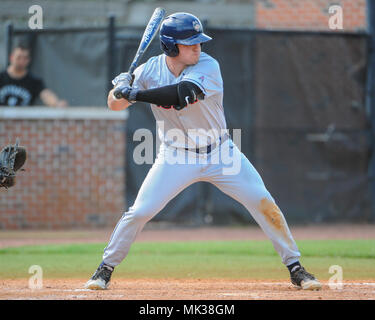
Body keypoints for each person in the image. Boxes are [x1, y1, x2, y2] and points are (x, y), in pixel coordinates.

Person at [85, 12, 322, 291]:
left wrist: (134, 93)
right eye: (190, 43)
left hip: (221, 153)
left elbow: (180, 95)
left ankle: (295, 267)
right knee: (140, 212)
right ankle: (105, 269)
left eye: (199, 41)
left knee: (262, 200)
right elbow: (114, 106)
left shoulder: (208, 66)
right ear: (171, 47)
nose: (198, 47)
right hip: (176, 156)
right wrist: (120, 89)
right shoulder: (149, 70)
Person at [0, 44, 68, 107]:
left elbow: (46, 95)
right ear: (11, 57)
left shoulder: (34, 81)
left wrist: (56, 103)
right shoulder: (1, 77)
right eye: (19, 57)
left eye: (25, 58)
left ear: (28, 60)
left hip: (23, 119)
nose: (21, 61)